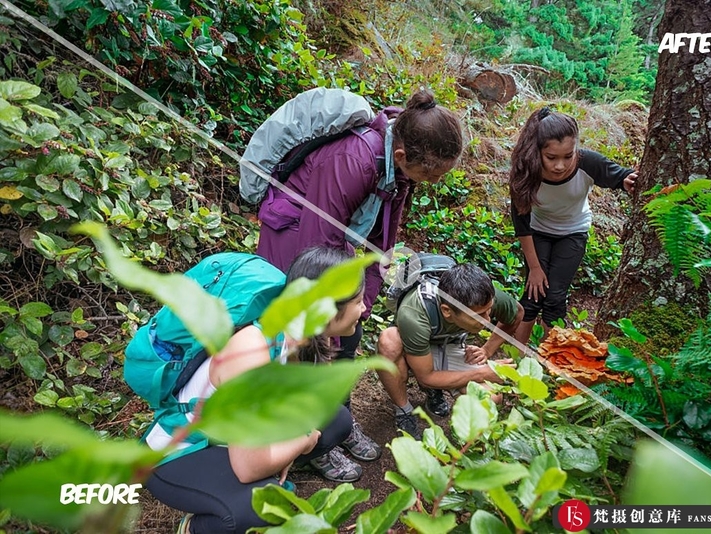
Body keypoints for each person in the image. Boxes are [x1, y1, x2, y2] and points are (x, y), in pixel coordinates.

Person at [255, 89, 464, 461]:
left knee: (349, 337)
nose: (436, 180)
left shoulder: (396, 164)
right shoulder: (353, 160)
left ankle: (337, 422)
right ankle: (310, 444)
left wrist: (364, 297)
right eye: (433, 173)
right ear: (403, 156)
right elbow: (317, 244)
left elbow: (384, 235)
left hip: (334, 244)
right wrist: (335, 307)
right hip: (296, 242)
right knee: (308, 343)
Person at [146, 246, 368, 534]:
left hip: (226, 440)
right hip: (180, 452)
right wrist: (302, 441)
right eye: (359, 301)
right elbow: (248, 468)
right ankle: (195, 527)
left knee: (335, 419)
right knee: (260, 506)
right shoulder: (253, 352)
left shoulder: (298, 335)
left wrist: (286, 447)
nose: (364, 309)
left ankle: (249, 479)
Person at [508, 107, 638, 345]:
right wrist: (535, 269)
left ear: (576, 149)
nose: (560, 165)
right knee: (532, 295)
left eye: (568, 156)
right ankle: (515, 357)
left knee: (554, 298)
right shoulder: (526, 172)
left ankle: (548, 362)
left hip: (573, 233)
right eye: (551, 157)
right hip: (537, 232)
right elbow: (522, 224)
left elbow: (619, 176)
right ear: (537, 152)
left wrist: (628, 181)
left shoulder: (588, 163)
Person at [376, 263, 523, 439]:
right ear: (447, 311)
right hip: (412, 347)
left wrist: (487, 350)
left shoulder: (483, 297)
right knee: (388, 341)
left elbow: (517, 314)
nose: (487, 320)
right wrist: (483, 373)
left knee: (491, 397)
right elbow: (426, 377)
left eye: (489, 311)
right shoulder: (414, 313)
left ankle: (452, 418)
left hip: (449, 345)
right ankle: (404, 411)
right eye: (478, 316)